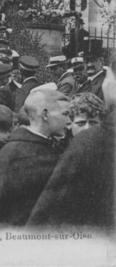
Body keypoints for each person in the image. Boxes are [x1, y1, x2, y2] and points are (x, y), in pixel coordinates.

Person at [27, 54, 115, 229]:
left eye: (94, 123)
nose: (87, 128)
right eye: (81, 123)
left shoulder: (97, 144)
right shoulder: (58, 151)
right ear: (69, 124)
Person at [0, 89, 69, 228]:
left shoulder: (46, 145)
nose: (69, 120)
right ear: (45, 114)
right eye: (65, 114)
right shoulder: (14, 152)